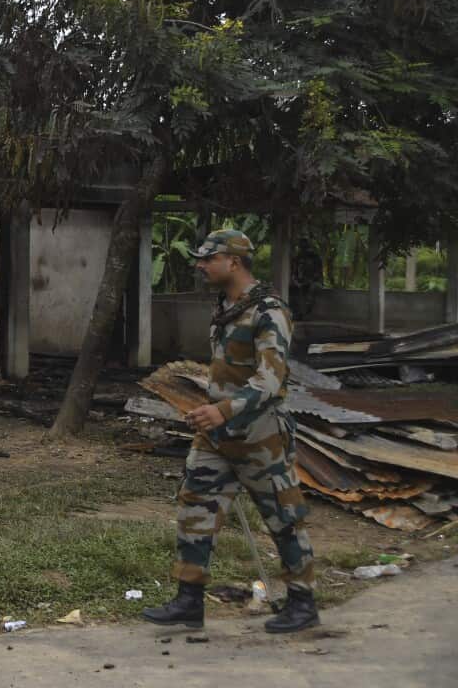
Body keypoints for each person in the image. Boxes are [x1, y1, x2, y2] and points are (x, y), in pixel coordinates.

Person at [141, 229, 319, 634]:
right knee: (195, 508)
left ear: (233, 262)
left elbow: (270, 381)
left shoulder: (269, 312)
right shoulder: (226, 306)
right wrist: (210, 412)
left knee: (283, 517)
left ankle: (303, 603)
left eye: (208, 259)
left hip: (260, 436)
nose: (201, 266)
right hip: (217, 436)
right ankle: (188, 601)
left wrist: (223, 410)